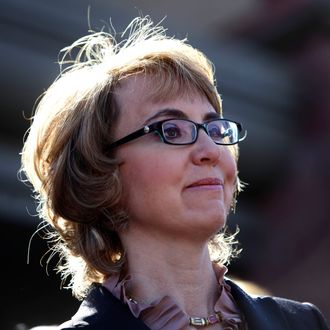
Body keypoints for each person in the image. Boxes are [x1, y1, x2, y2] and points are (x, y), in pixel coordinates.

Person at [20, 16, 329, 330]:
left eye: (215, 128)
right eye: (172, 130)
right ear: (98, 173)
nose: (210, 150)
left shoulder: (304, 323)